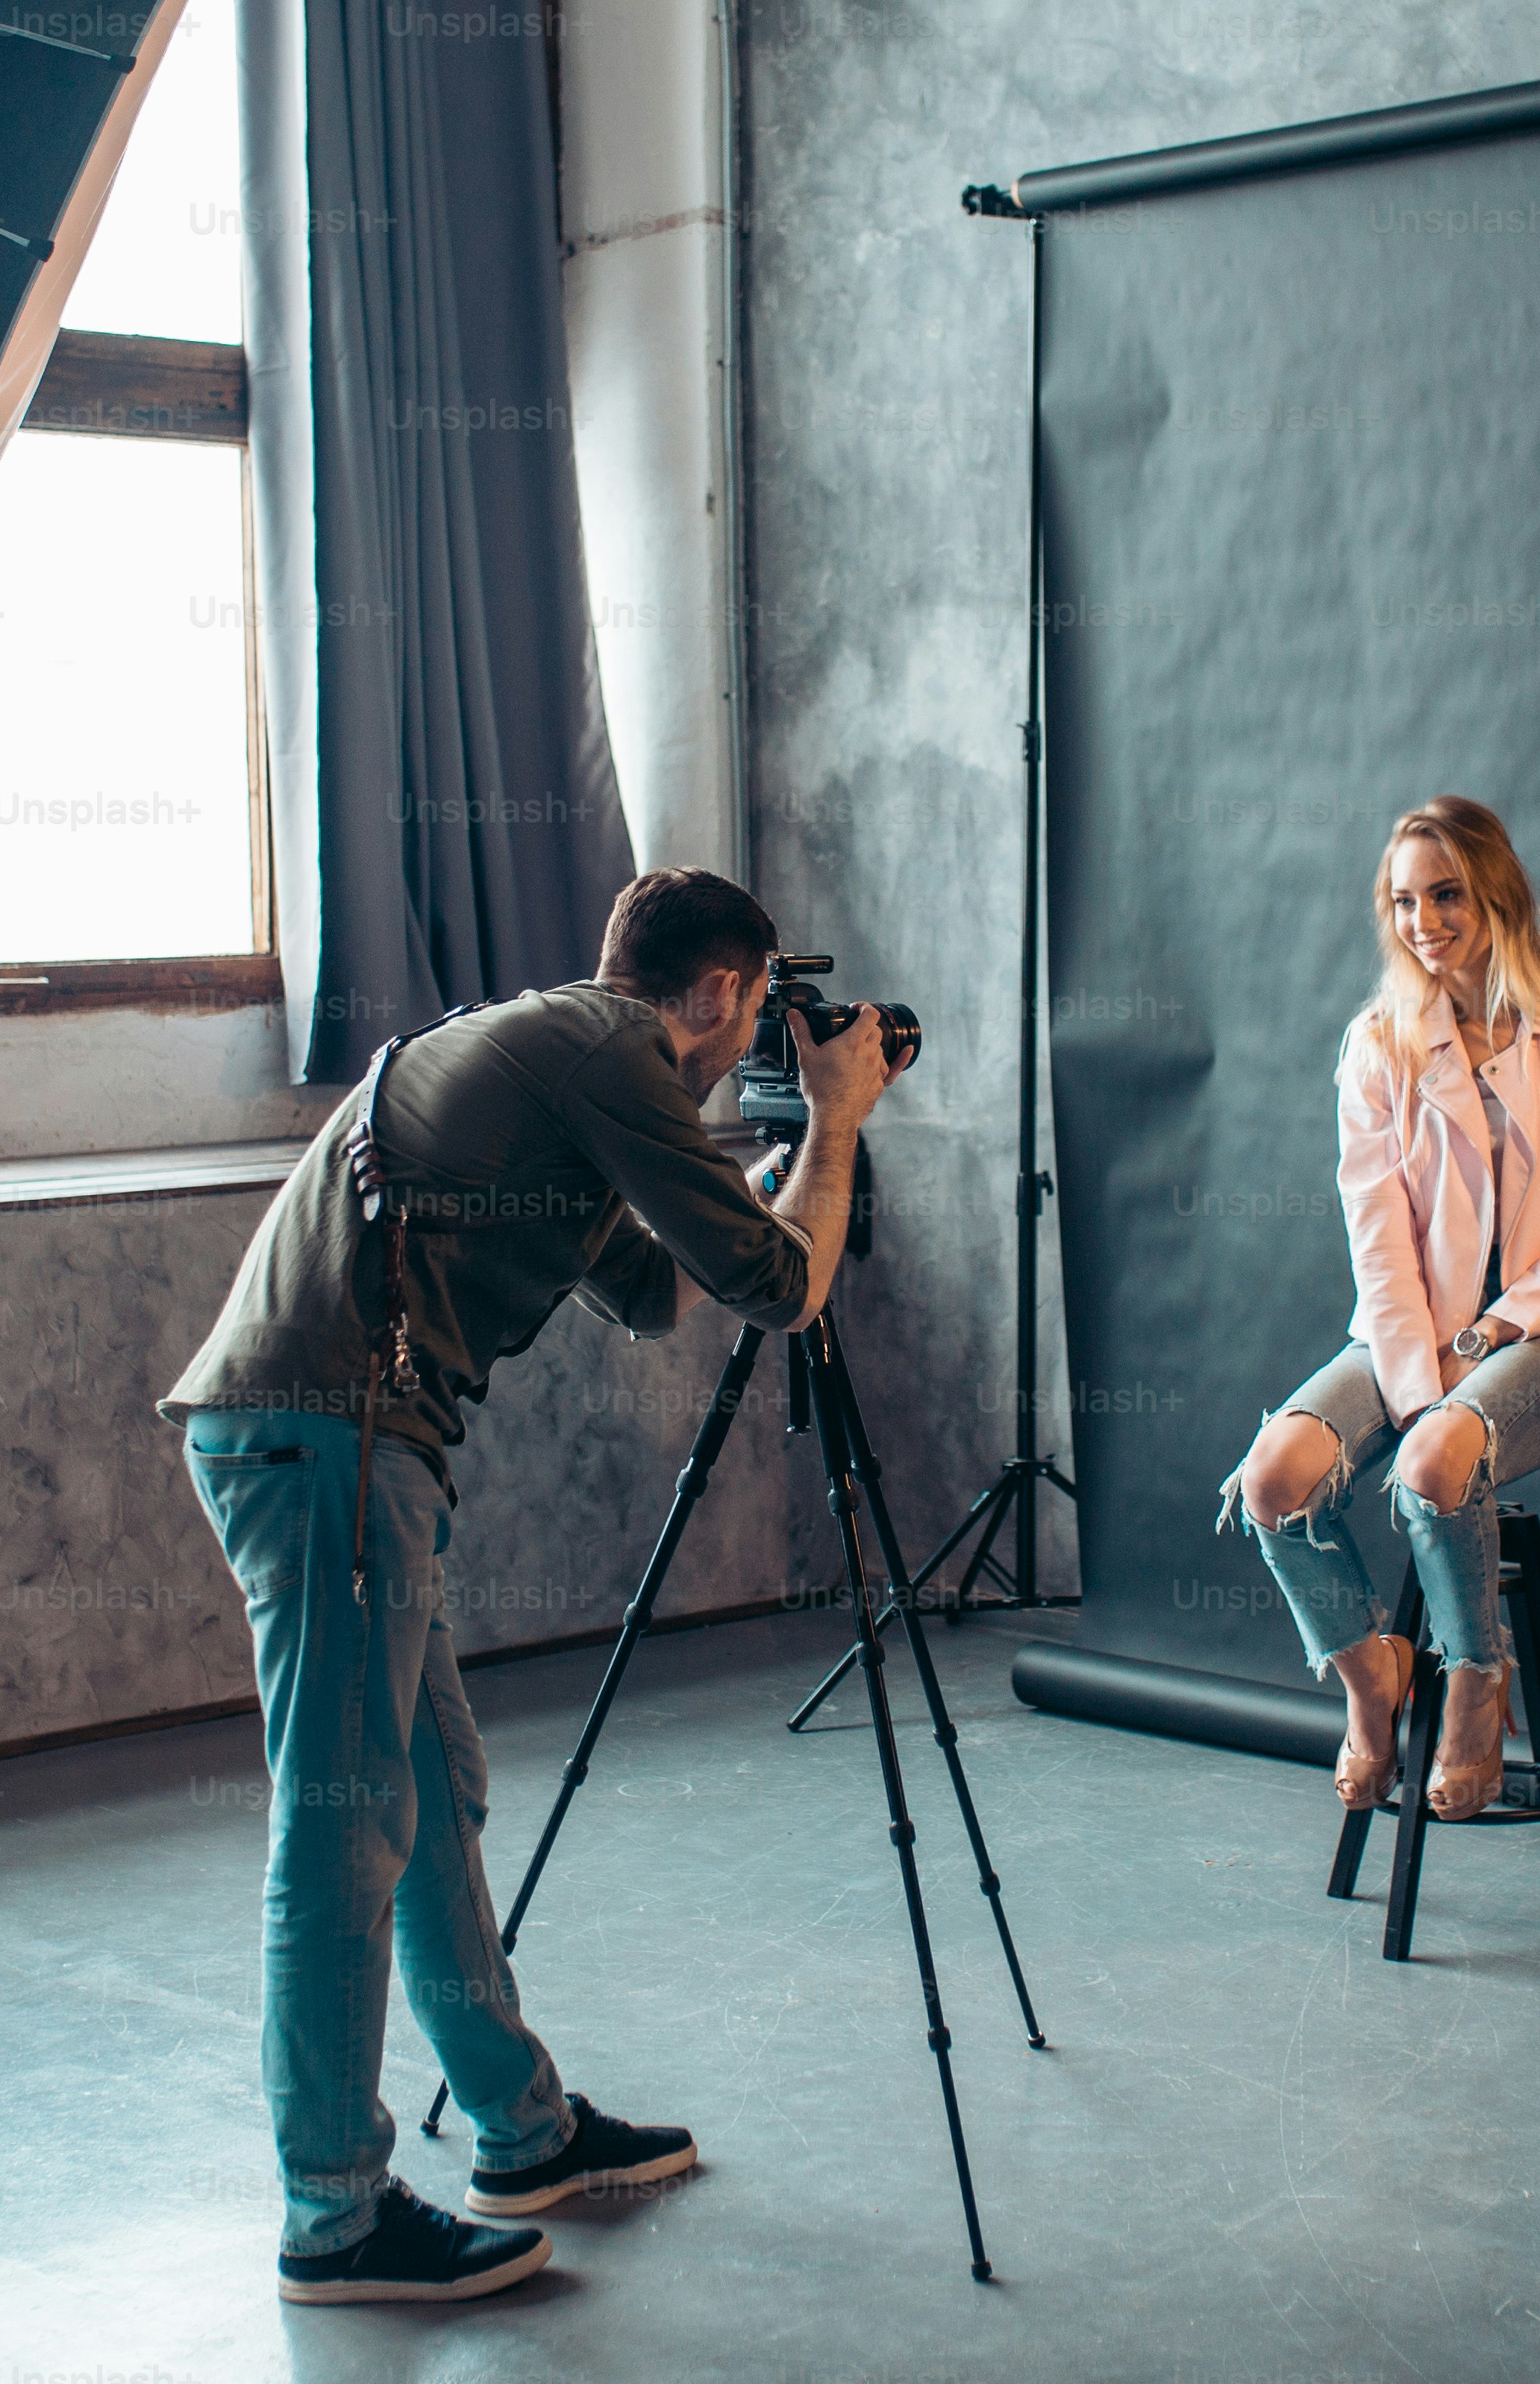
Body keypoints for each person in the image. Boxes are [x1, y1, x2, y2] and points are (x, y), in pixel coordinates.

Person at [161, 869, 898, 2305]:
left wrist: (760, 1162)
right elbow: (777, 1286)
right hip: (329, 1443)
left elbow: (655, 1287)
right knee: (342, 1826)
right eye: (756, 1011)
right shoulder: (612, 1051)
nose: (755, 1036)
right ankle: (333, 2215)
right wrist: (837, 1121)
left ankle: (525, 2133)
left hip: (342, 1445)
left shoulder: (569, 1060)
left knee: (430, 1803)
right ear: (718, 994)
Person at [1218, 796, 1540, 1821]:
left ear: (1496, 891)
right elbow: (1377, 1241)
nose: (1424, 921)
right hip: (1406, 1332)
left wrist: (1489, 1336)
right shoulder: (1380, 1045)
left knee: (1433, 1464)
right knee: (1275, 1479)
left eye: (1446, 893)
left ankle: (1475, 1677)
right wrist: (1423, 1382)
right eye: (1403, 901)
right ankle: (1375, 1679)